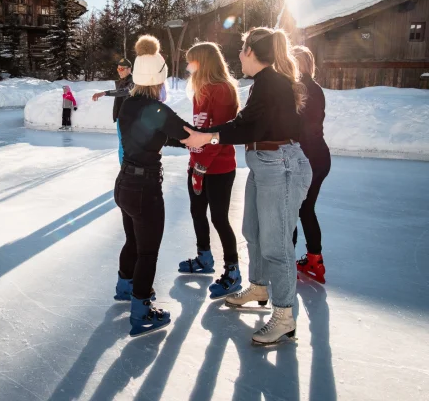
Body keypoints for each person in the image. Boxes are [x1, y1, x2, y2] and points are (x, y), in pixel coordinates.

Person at [182, 28, 312, 345]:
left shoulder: (272, 84)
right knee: (252, 231)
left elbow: (244, 125)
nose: (238, 55)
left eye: (241, 49)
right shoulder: (264, 84)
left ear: (251, 52)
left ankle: (284, 317)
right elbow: (247, 127)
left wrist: (208, 135)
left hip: (279, 165)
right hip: (263, 163)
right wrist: (209, 135)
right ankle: (259, 286)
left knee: (276, 245)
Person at [113, 35, 190, 337]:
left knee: (133, 242)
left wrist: (176, 141)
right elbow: (188, 133)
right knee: (148, 252)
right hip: (145, 189)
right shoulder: (159, 110)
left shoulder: (129, 104)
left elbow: (150, 135)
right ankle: (142, 310)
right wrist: (214, 137)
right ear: (160, 79)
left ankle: (125, 286)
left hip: (124, 185)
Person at [178, 42, 242, 301]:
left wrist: (202, 166)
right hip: (198, 165)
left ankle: (233, 271)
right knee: (196, 211)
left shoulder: (223, 90)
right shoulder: (200, 90)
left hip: (218, 167)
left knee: (219, 218)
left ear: (204, 62)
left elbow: (221, 134)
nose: (189, 66)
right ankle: (204, 257)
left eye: (192, 61)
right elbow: (199, 130)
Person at [291, 45, 331, 283]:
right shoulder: (316, 88)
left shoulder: (297, 89)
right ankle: (315, 259)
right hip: (320, 157)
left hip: (306, 159)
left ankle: (287, 260)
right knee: (306, 208)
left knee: (294, 208)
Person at [92, 58, 134, 164]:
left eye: (122, 69)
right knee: (122, 144)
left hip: (129, 118)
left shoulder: (133, 81)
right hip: (121, 117)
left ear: (129, 69)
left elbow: (123, 92)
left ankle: (127, 168)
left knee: (127, 145)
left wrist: (105, 93)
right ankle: (124, 168)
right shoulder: (121, 81)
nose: (119, 71)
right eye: (118, 69)